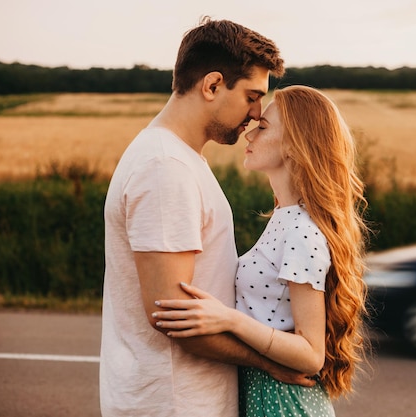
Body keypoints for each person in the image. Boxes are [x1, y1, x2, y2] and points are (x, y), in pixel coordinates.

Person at [100, 17, 313, 417]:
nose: (255, 113)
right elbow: (173, 317)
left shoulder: (177, 158)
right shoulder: (166, 168)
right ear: (213, 85)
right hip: (175, 401)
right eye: (251, 96)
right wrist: (269, 361)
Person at [153, 85, 370, 416]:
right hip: (267, 395)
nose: (249, 134)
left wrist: (229, 320)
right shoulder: (285, 218)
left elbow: (311, 354)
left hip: (283, 403)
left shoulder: (301, 231)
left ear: (295, 147)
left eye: (264, 127)